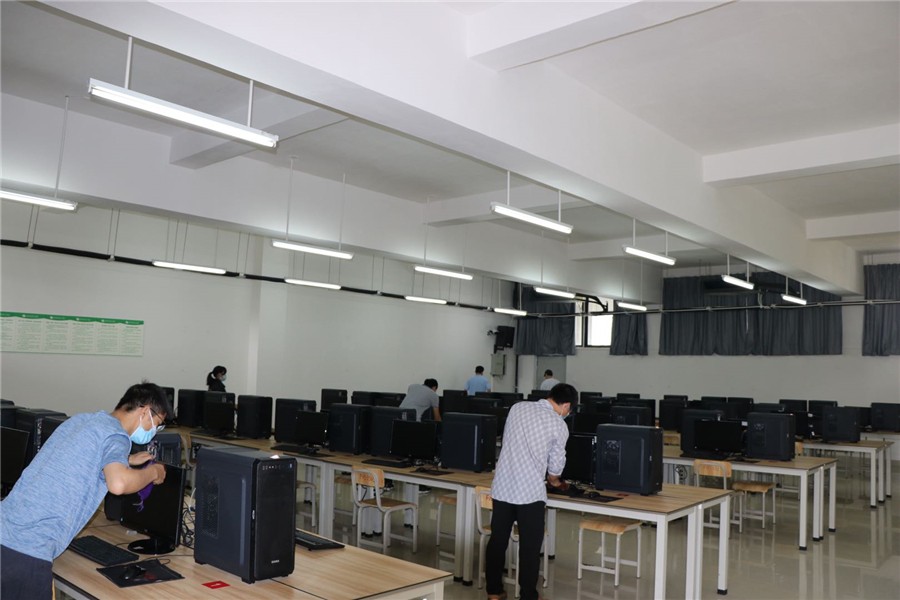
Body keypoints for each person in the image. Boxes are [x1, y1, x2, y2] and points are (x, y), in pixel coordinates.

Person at [0, 382, 169, 600]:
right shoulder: (117, 436)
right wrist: (154, 472)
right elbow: (118, 484)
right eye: (157, 424)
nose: (153, 432)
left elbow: (75, 456)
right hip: (26, 551)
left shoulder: (81, 420)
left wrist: (125, 460)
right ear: (145, 411)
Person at [485, 383, 577, 600]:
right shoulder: (558, 425)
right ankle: (528, 595)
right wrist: (556, 482)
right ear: (566, 405)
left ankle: (494, 592)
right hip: (530, 493)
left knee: (498, 541)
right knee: (529, 547)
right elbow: (555, 469)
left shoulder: (517, 408)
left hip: (503, 487)